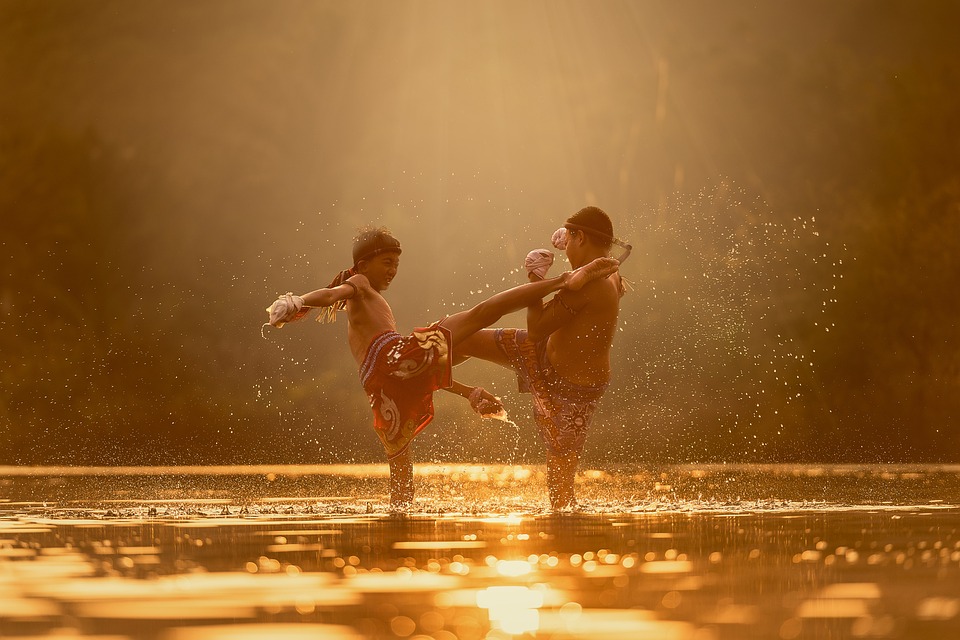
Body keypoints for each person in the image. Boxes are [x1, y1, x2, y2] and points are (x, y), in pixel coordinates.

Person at [264, 226, 619, 511]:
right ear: (362, 265)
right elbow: (328, 295)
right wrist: (297, 300)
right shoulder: (358, 284)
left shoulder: (365, 299)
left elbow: (417, 375)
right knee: (481, 314)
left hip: (385, 384)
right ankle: (559, 280)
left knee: (401, 486)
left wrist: (469, 393)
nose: (392, 270)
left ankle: (398, 534)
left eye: (396, 264)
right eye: (386, 262)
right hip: (394, 360)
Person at [454, 207, 627, 510]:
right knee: (462, 338)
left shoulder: (594, 283)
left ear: (581, 237)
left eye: (570, 239)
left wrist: (535, 277)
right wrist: (572, 245)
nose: (565, 246)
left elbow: (535, 328)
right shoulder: (610, 272)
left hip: (570, 390)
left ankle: (566, 541)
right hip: (542, 354)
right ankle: (420, 363)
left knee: (561, 494)